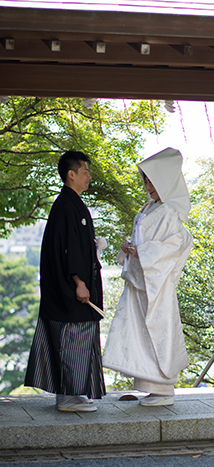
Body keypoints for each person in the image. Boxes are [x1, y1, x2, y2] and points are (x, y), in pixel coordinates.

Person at [103, 148, 193, 406]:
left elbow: (173, 245)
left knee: (156, 330)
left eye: (153, 181)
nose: (148, 187)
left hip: (156, 284)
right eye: (145, 181)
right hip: (142, 281)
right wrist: (131, 248)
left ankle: (163, 389)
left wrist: (139, 251)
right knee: (141, 331)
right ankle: (150, 385)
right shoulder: (152, 208)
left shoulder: (168, 212)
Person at [25, 150, 106, 412]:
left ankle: (74, 393)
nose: (89, 177)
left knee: (76, 338)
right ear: (71, 174)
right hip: (72, 289)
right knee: (72, 338)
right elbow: (67, 249)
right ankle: (68, 396)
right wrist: (78, 282)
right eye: (85, 172)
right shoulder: (66, 205)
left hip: (75, 286)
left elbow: (75, 245)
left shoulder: (71, 204)